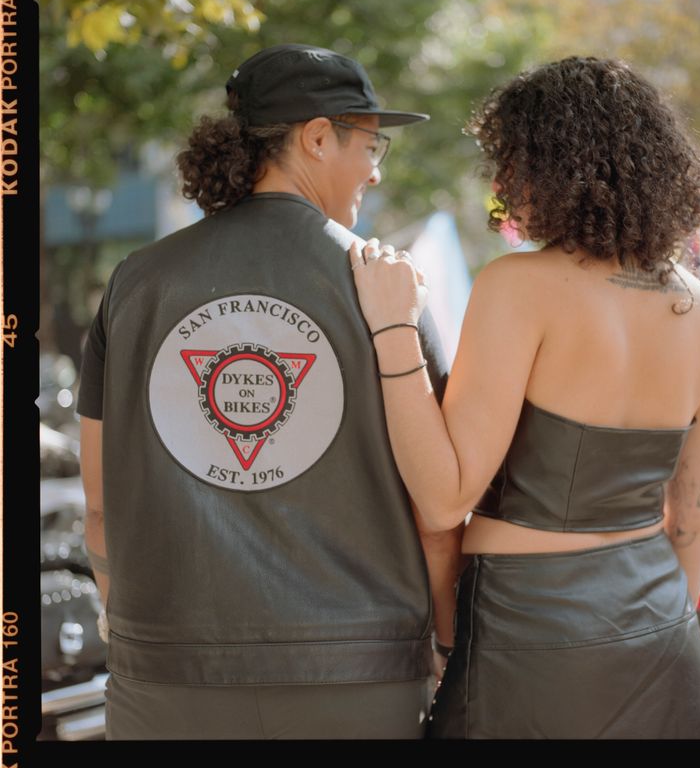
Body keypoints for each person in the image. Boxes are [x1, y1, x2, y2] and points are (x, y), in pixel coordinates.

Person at [349, 56, 700, 738]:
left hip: (530, 630)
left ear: (557, 166)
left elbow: (444, 498)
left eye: (512, 162)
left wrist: (391, 329)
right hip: (661, 630)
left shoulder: (518, 286)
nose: (501, 187)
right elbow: (692, 525)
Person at [77, 43, 455, 739]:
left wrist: (134, 631)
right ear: (317, 137)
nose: (375, 168)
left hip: (164, 683)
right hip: (357, 681)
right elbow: (437, 513)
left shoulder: (134, 282)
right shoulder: (388, 288)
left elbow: (100, 509)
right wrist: (446, 643)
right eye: (373, 144)